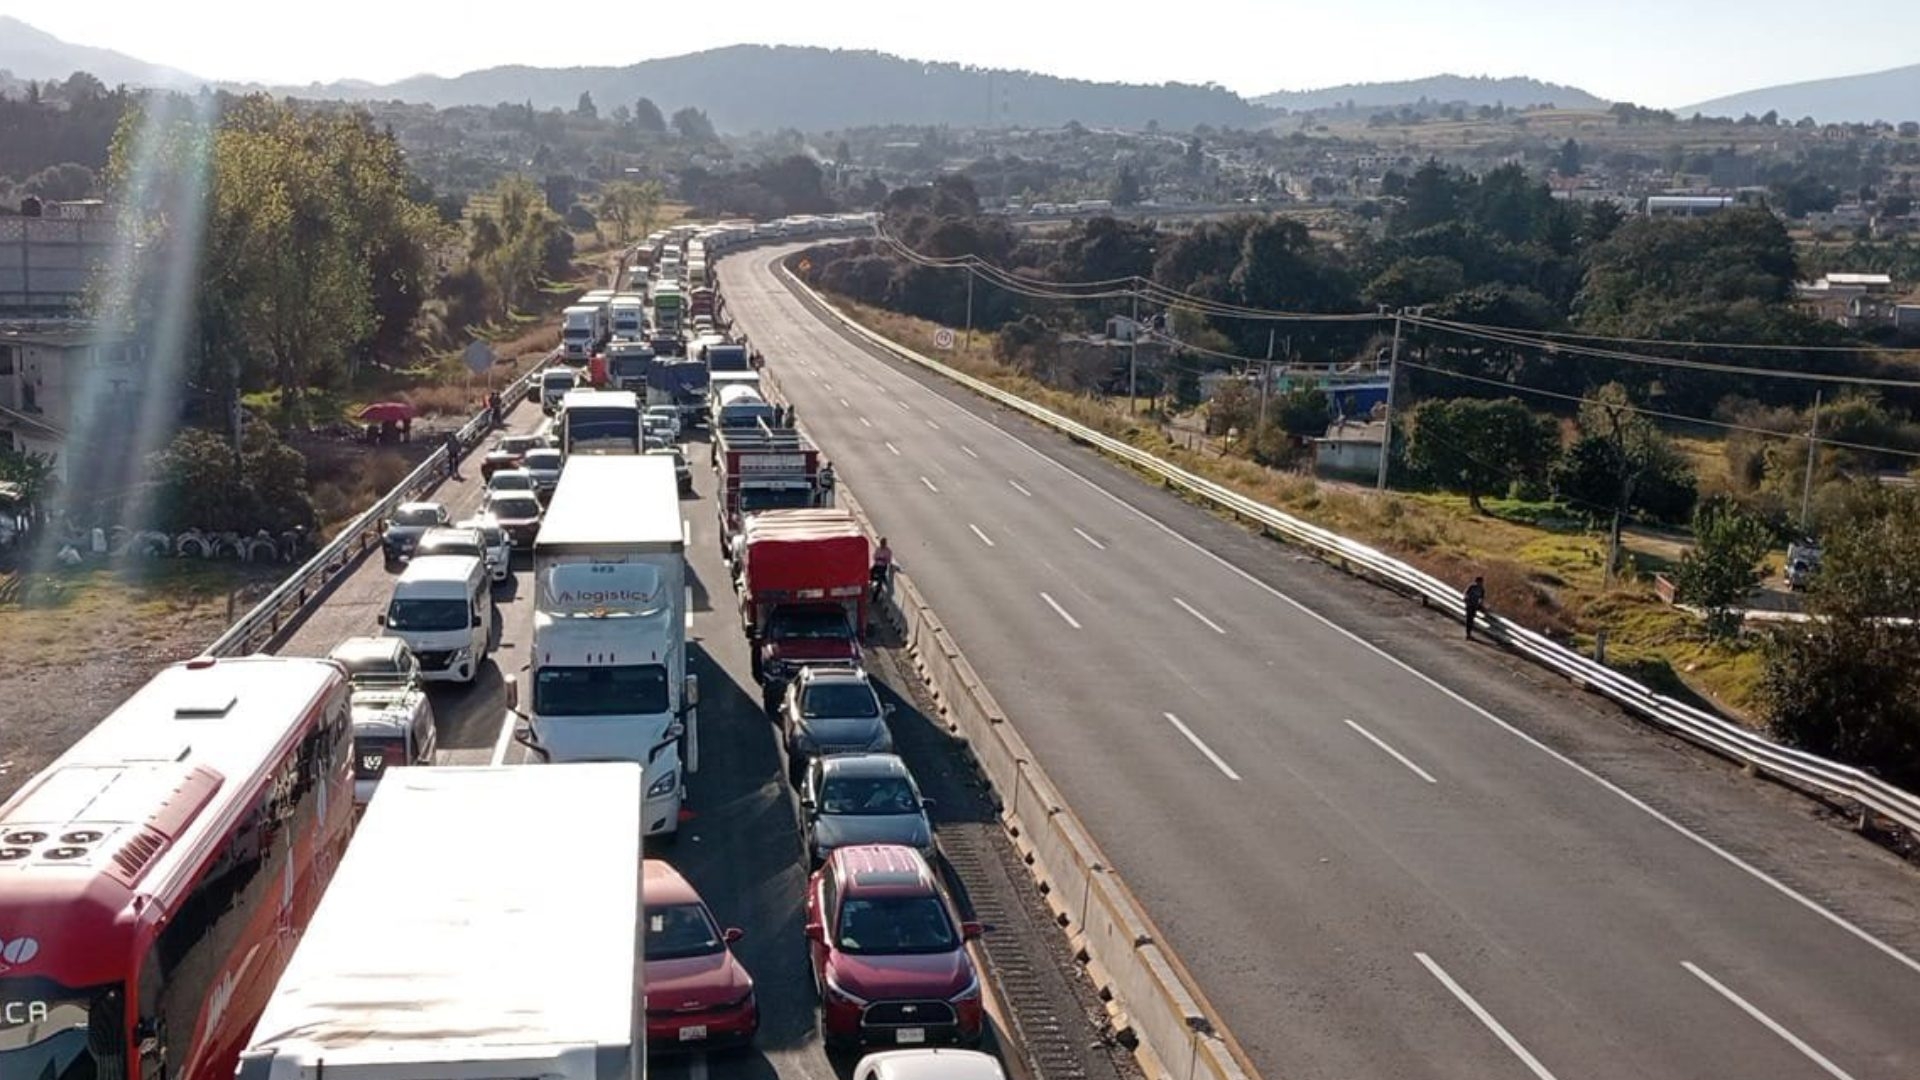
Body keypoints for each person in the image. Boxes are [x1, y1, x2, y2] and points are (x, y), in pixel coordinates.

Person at [870, 536, 894, 601]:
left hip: (882, 567)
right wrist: (880, 559)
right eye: (881, 543)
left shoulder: (888, 551)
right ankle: (874, 581)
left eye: (883, 543)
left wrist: (881, 559)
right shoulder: (878, 549)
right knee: (869, 574)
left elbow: (888, 560)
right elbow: (875, 557)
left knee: (879, 584)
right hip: (876, 565)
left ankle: (875, 598)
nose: (882, 544)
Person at [1463, 575, 1486, 640]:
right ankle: (1468, 634)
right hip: (1469, 605)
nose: (1480, 583)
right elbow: (1466, 593)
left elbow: (1481, 598)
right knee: (1469, 619)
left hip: (1475, 606)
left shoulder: (1482, 589)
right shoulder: (1472, 587)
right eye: (1479, 582)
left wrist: (1481, 605)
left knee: (1471, 620)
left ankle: (1469, 634)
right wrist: (1466, 599)